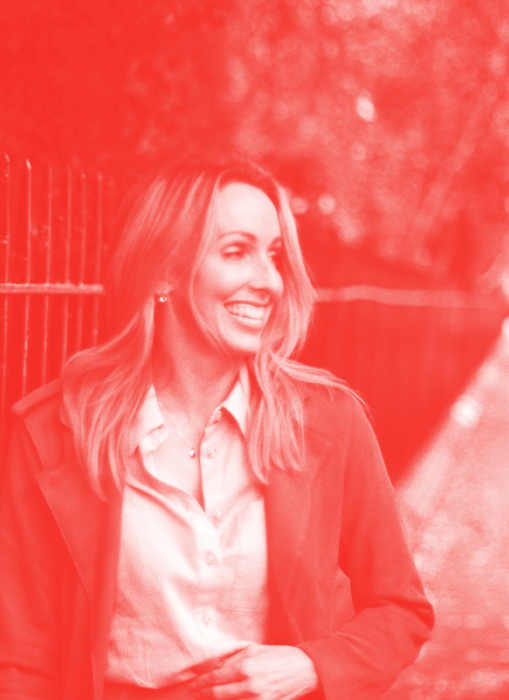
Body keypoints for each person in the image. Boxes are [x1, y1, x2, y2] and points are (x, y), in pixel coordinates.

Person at [0, 159, 434, 700]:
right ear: (163, 271)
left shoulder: (328, 420)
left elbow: (400, 609)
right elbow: (22, 659)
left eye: (274, 255)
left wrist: (311, 665)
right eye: (236, 252)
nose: (269, 281)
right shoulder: (54, 433)